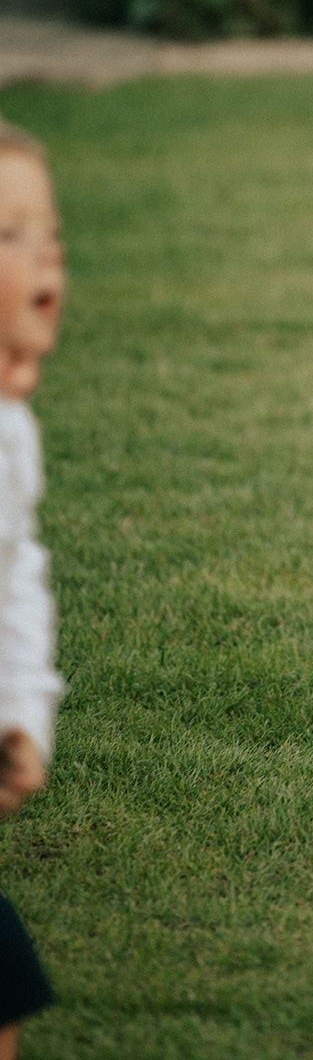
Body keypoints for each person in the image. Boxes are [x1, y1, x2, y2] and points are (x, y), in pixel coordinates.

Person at [0, 123, 65, 1056]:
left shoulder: (11, 430)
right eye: (10, 236)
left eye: (50, 233)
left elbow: (17, 576)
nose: (47, 256)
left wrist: (21, 709)